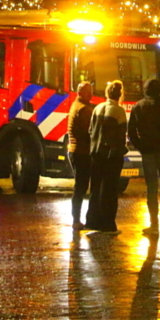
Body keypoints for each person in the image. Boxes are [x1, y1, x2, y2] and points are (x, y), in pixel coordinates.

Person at [127, 78, 160, 235]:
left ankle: (154, 224)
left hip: (148, 152)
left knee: (151, 188)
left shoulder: (139, 107)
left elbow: (131, 131)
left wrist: (140, 146)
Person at [85, 80, 128, 234]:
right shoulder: (119, 111)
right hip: (111, 156)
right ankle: (108, 224)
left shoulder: (97, 108)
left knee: (95, 188)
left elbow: (91, 130)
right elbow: (121, 136)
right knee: (109, 189)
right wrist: (121, 150)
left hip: (95, 154)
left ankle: (92, 220)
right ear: (120, 94)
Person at [66, 81, 95, 230]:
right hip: (81, 152)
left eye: (91, 91)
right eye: (88, 91)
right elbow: (90, 132)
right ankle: (76, 220)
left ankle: (76, 219)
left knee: (80, 186)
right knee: (81, 187)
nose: (91, 94)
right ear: (80, 93)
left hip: (75, 150)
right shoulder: (83, 110)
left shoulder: (75, 105)